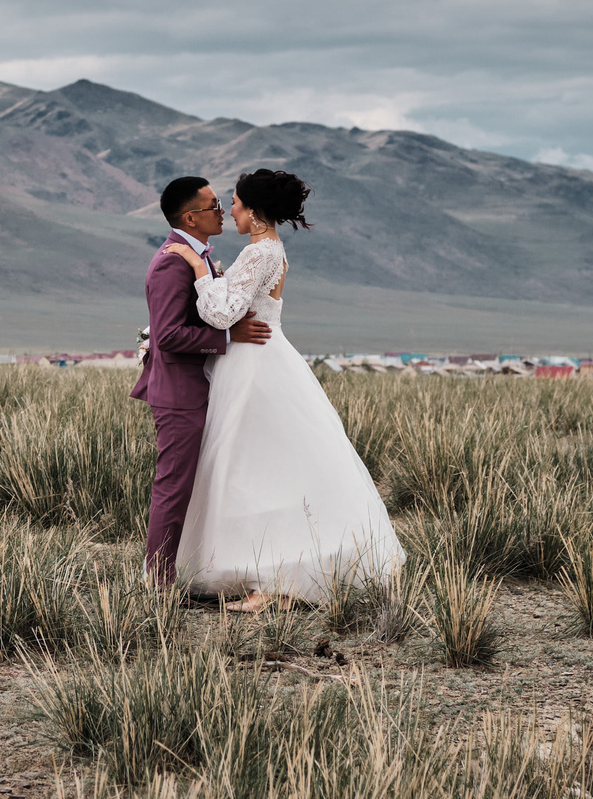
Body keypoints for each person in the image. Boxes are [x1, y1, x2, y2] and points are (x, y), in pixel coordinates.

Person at [161, 168, 403, 608]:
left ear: (254, 211)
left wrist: (198, 269)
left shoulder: (259, 253)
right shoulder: (269, 248)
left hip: (254, 365)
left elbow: (222, 315)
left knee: (253, 467)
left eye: (235, 203)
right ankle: (268, 573)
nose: (229, 211)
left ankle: (271, 581)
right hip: (260, 358)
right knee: (264, 466)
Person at [131, 175, 270, 583]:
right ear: (190, 218)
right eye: (213, 206)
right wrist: (228, 336)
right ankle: (158, 581)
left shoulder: (196, 256)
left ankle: (192, 567)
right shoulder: (171, 262)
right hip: (179, 394)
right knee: (174, 486)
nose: (222, 211)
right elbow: (168, 336)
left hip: (198, 388)